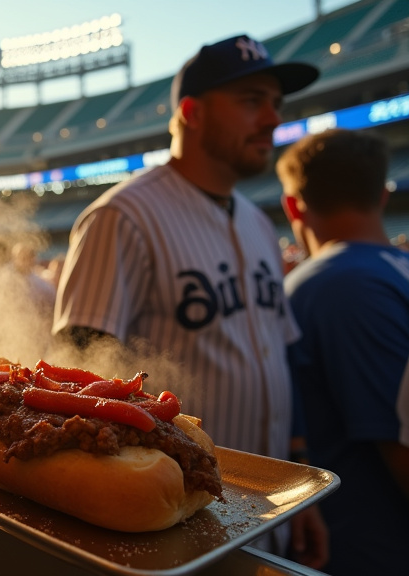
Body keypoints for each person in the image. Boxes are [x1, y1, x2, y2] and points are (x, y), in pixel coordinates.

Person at [52, 35, 325, 564]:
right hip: (172, 520)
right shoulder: (122, 216)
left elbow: (281, 358)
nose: (273, 118)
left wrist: (297, 486)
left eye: (275, 102)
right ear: (192, 113)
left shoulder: (258, 221)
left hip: (269, 503)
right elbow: (78, 369)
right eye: (252, 101)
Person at [278, 128, 409, 575]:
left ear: (293, 206)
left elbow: (396, 438)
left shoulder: (330, 285)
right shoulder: (394, 270)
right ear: (382, 195)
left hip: (366, 546)